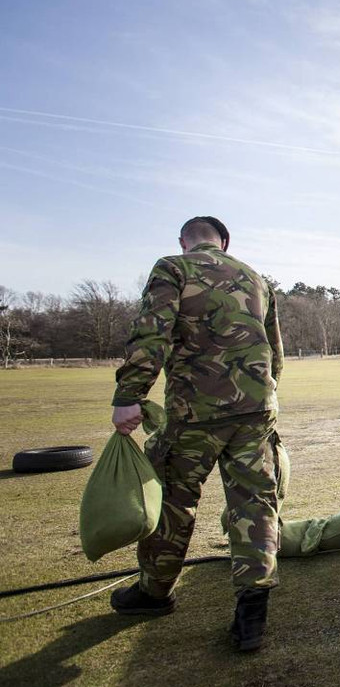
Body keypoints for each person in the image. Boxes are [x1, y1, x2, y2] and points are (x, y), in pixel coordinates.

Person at [108, 216, 284, 653]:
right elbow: (274, 350)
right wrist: (264, 396)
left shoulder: (173, 267)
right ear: (224, 242)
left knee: (173, 498)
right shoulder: (256, 278)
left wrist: (130, 393)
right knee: (255, 502)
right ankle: (252, 612)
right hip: (256, 410)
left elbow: (153, 332)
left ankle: (154, 592)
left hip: (196, 413)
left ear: (185, 242)